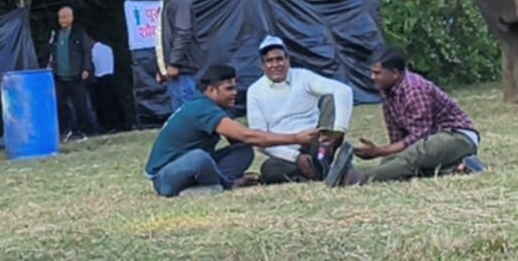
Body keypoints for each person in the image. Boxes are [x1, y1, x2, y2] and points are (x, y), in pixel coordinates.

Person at [143, 64, 318, 197]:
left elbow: (241, 140)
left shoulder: (209, 105)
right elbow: (248, 135)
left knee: (243, 149)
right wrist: (296, 137)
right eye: (229, 89)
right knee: (199, 157)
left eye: (235, 87)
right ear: (211, 90)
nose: (235, 93)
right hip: (165, 178)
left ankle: (209, 185)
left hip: (188, 167)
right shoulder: (202, 108)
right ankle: (224, 185)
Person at [341, 49, 484, 184]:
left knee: (413, 155)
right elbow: (397, 137)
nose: (373, 77)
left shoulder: (414, 89)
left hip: (457, 136)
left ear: (395, 73)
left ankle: (362, 178)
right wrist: (388, 156)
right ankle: (460, 167)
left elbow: (418, 138)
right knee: (394, 163)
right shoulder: (387, 91)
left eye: (377, 73)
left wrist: (378, 151)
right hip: (431, 141)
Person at [245, 35, 355, 185]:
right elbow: (259, 140)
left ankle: (323, 161)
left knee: (331, 99)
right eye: (270, 61)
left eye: (279, 59)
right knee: (269, 169)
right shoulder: (254, 91)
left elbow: (343, 91)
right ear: (262, 65)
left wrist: (338, 132)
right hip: (285, 153)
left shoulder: (303, 77)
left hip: (316, 142)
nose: (275, 64)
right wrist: (295, 157)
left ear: (287, 60)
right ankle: (326, 170)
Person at [48, 6, 100, 141]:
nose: (62, 20)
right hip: (59, 76)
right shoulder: (56, 35)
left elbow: (86, 52)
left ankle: (85, 131)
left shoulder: (79, 33)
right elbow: (51, 53)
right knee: (60, 104)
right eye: (60, 17)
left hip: (76, 76)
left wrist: (86, 69)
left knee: (81, 105)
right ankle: (66, 130)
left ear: (71, 18)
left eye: (65, 17)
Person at [154, 0, 199, 109]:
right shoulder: (166, 2)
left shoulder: (180, 1)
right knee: (181, 117)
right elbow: (163, 39)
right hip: (174, 71)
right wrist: (162, 69)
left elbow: (183, 33)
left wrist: (174, 63)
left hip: (183, 70)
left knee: (189, 115)